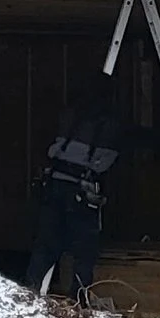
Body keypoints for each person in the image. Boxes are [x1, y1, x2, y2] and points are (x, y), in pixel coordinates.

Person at [25, 94, 123, 304]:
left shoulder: (69, 116)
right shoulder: (111, 126)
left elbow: (48, 149)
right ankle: (78, 301)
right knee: (84, 252)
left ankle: (28, 297)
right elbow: (109, 164)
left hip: (54, 187)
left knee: (45, 247)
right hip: (82, 193)